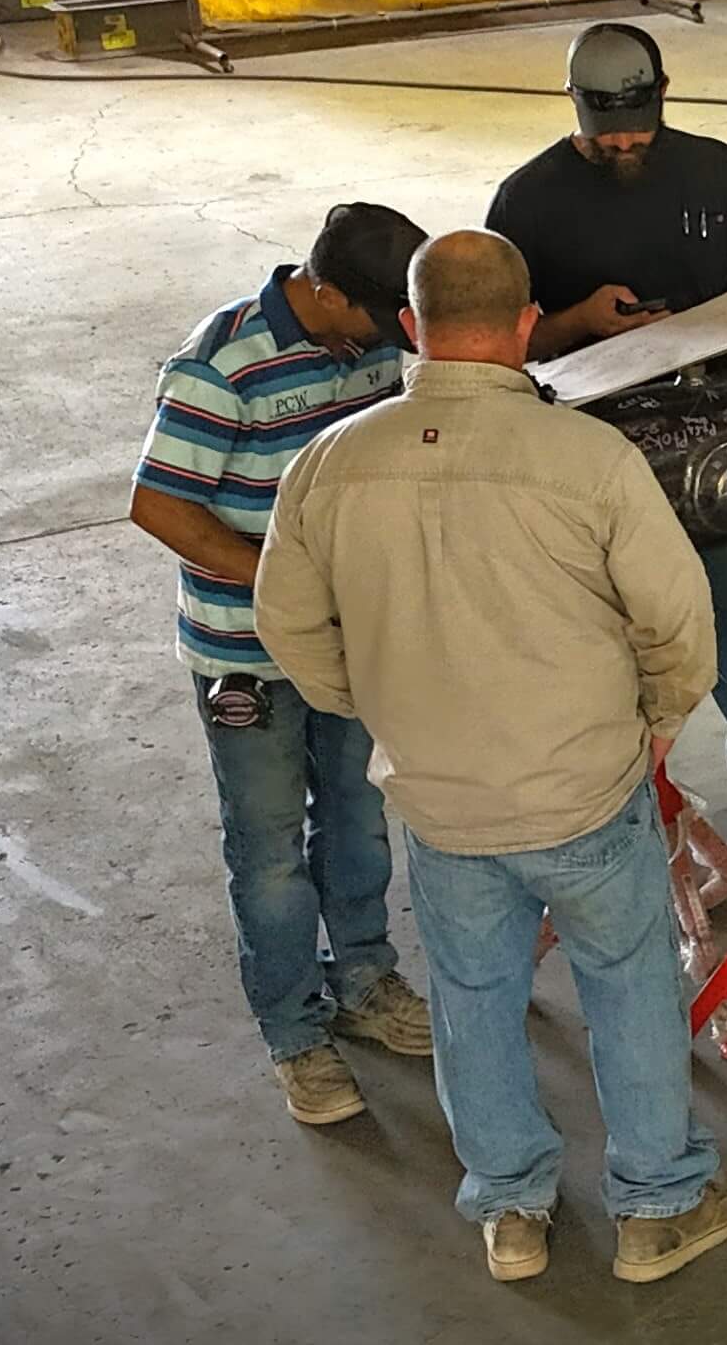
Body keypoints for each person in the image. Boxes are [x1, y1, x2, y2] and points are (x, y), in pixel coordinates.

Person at [253, 229, 727, 1286]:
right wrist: (649, 725)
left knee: (472, 999)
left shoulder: (330, 464)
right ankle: (658, 1206)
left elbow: (288, 629)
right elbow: (679, 626)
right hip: (585, 790)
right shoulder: (590, 460)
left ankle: (514, 1214)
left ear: (409, 325)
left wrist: (386, 710)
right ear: (527, 326)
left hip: (442, 806)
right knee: (626, 990)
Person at [485, 21, 727, 830]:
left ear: (664, 94)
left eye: (636, 126)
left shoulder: (714, 169)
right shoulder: (525, 201)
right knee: (598, 631)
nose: (622, 142)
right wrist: (579, 321)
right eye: (603, 134)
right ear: (574, 109)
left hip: (719, 435)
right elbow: (500, 348)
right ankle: (607, 802)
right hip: (591, 449)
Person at [129, 202, 435, 1127]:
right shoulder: (220, 364)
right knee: (267, 853)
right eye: (380, 321)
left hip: (351, 642)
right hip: (247, 656)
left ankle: (366, 981)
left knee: (358, 817)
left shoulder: (375, 344)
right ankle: (296, 1033)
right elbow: (160, 508)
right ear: (326, 290)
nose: (391, 345)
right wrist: (286, 581)